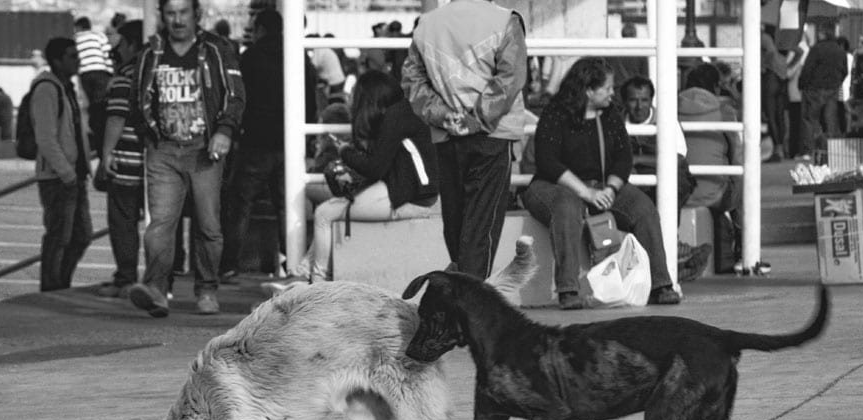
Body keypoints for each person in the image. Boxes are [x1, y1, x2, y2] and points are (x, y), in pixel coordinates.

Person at [522, 58, 679, 310]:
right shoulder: (555, 114)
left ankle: (661, 285)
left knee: (643, 207)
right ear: (588, 90)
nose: (611, 93)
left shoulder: (609, 114)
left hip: (602, 185)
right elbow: (548, 161)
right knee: (567, 206)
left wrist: (610, 189)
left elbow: (623, 158)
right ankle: (568, 290)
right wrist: (586, 192)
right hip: (554, 186)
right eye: (606, 88)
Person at [127, 0, 244, 317]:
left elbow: (235, 94)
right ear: (162, 16)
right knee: (160, 224)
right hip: (163, 150)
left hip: (204, 150)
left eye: (183, 12)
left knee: (208, 225)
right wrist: (149, 136)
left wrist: (225, 131)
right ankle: (155, 290)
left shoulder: (217, 49)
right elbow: (136, 98)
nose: (177, 19)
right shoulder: (151, 53)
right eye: (170, 13)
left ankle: (207, 290)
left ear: (196, 15)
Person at [402, 0, 527, 279]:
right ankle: (471, 301)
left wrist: (444, 115)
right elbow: (511, 78)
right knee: (482, 224)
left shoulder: (427, 24)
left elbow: (413, 81)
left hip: (447, 135)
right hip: (493, 134)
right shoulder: (505, 20)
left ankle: (458, 292)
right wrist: (477, 118)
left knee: (455, 221)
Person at [280, 69, 438, 286]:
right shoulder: (402, 114)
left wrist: (345, 152)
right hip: (415, 196)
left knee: (324, 213)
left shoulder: (395, 118)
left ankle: (317, 283)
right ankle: (303, 273)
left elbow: (375, 168)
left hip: (410, 200)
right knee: (332, 208)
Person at [220, 9, 315, 281]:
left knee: (240, 203)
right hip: (289, 141)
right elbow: (310, 99)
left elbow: (238, 96)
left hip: (256, 140)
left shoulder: (250, 57)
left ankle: (229, 263)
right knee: (288, 205)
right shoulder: (299, 56)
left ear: (261, 28)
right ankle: (294, 262)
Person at [621, 76, 709, 282]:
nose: (639, 106)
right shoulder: (616, 121)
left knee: (675, 184)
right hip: (632, 179)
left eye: (644, 100)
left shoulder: (666, 119)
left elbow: (677, 156)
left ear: (651, 100)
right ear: (625, 101)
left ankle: (672, 244)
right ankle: (674, 255)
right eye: (633, 100)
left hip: (668, 174)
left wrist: (637, 160)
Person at [30, 37, 93, 292]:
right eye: (72, 55)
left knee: (80, 235)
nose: (77, 60)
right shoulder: (47, 88)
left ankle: (60, 285)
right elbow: (45, 137)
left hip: (73, 175)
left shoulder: (67, 87)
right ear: (57, 60)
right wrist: (66, 172)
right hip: (57, 176)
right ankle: (51, 289)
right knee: (59, 236)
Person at [678, 63, 745, 275]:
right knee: (743, 183)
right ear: (716, 86)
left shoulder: (670, 106)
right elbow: (737, 156)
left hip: (677, 194)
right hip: (715, 193)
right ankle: (744, 248)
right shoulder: (725, 111)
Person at [97, 20, 145, 299]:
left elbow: (116, 117)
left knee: (123, 221)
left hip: (126, 160)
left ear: (130, 44)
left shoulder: (124, 76)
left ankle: (125, 277)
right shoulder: (153, 73)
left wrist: (106, 155)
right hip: (154, 162)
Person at [798, 22, 847, 159]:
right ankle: (832, 151)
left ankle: (809, 151)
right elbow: (845, 71)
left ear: (823, 34)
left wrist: (802, 84)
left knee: (810, 119)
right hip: (832, 90)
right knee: (830, 120)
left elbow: (807, 69)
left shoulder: (816, 49)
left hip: (814, 89)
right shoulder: (839, 50)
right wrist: (836, 83)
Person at [73, 16, 113, 154]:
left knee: (90, 106)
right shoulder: (99, 36)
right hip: (101, 72)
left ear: (78, 27)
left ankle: (95, 136)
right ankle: (101, 135)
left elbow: (75, 59)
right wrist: (111, 72)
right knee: (101, 104)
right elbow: (107, 53)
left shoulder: (76, 38)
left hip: (85, 74)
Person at [761, 24, 788, 161]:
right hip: (782, 79)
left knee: (771, 115)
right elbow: (799, 51)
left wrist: (763, 65)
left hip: (771, 78)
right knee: (779, 116)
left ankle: (777, 149)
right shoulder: (782, 41)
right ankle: (781, 148)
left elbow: (770, 51)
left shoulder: (764, 38)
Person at [785, 37, 810, 160]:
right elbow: (788, 73)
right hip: (795, 94)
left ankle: (798, 150)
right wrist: (799, 62)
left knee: (799, 124)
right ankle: (795, 151)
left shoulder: (799, 52)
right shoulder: (795, 53)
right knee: (796, 124)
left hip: (799, 94)